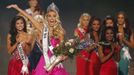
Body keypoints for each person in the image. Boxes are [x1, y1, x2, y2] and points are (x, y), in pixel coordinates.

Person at [7, 3, 69, 75]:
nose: (51, 18)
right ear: (46, 18)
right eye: (49, 16)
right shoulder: (43, 29)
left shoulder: (60, 32)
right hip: (44, 61)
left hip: (54, 61)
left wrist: (63, 56)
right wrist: (17, 8)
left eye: (54, 16)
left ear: (56, 18)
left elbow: (63, 50)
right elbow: (30, 18)